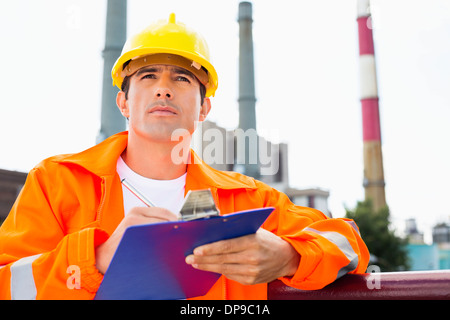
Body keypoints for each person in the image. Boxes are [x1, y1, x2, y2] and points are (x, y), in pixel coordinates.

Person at [0, 13, 369, 300]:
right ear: (123, 101)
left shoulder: (248, 201)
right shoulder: (57, 183)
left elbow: (348, 243)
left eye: (181, 78)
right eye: (147, 76)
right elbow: (6, 282)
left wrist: (289, 256)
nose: (163, 89)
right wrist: (94, 259)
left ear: (204, 107)